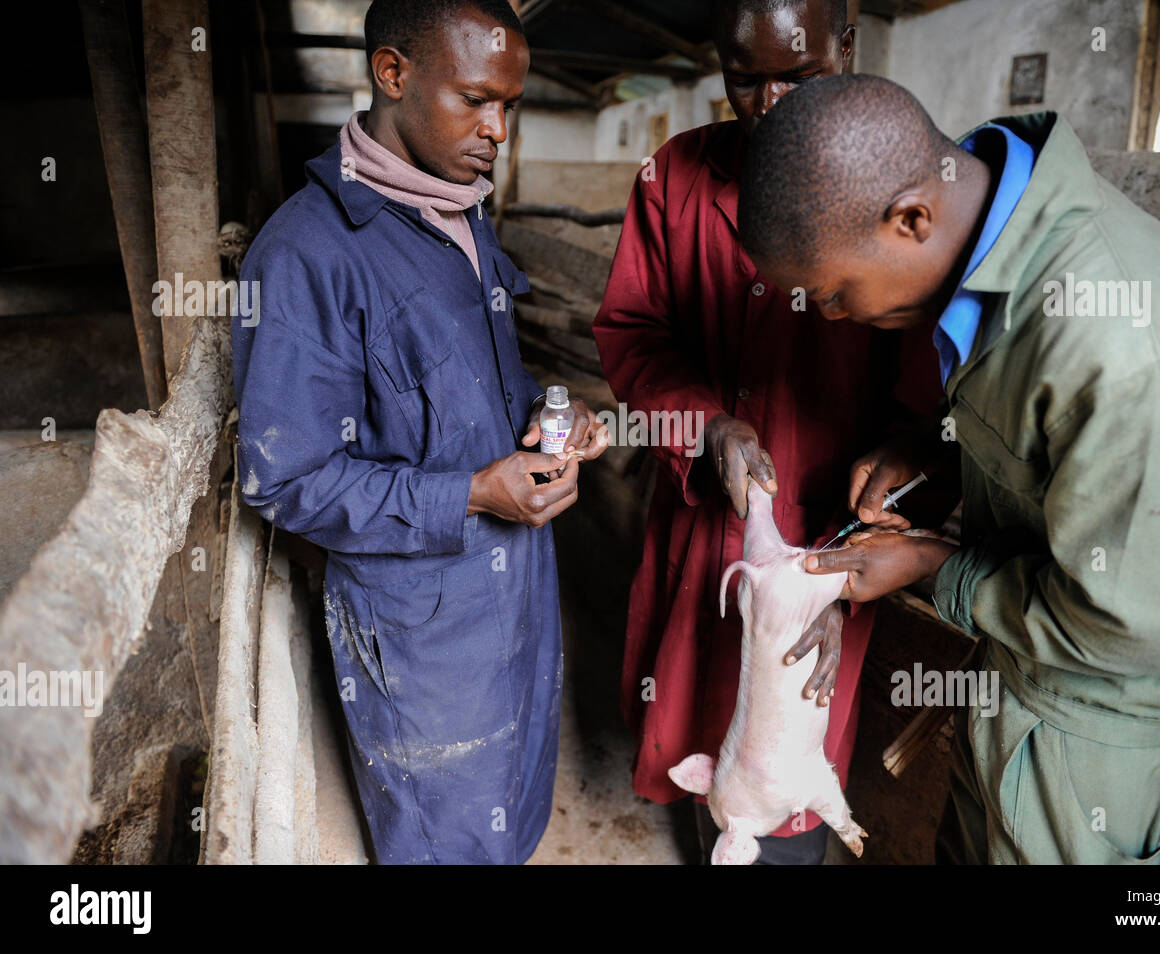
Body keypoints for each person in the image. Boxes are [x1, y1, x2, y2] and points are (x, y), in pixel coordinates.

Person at [737, 73, 1160, 864]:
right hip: (1027, 695)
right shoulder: (999, 257)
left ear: (910, 219)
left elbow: (1133, 626)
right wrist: (942, 446)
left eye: (830, 294)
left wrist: (934, 565)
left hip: (1110, 750)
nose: (834, 317)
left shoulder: (1135, 355)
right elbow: (1053, 434)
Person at [231, 0, 606, 864]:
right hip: (420, 628)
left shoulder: (462, 213)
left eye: (509, 104)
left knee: (510, 804)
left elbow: (482, 389)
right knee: (444, 836)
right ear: (392, 74)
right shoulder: (305, 255)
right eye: (477, 99)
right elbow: (284, 480)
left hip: (514, 594)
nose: (497, 130)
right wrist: (472, 492)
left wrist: (553, 414)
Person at [593, 1, 941, 864]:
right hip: (704, 517)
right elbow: (633, 331)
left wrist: (863, 542)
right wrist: (702, 425)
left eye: (798, 75)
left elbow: (926, 412)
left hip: (827, 538)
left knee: (788, 761)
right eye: (743, 79)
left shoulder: (888, 187)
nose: (770, 102)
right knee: (695, 743)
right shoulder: (676, 177)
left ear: (847, 47)